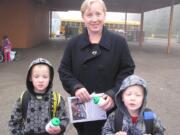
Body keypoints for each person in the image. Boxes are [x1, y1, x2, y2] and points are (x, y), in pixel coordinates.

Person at [58, 0, 135, 134]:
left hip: (110, 109)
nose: (94, 19)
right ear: (83, 17)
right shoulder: (73, 44)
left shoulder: (119, 42)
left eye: (98, 14)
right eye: (89, 15)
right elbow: (64, 70)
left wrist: (113, 94)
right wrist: (76, 87)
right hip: (82, 109)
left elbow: (127, 71)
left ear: (105, 15)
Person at [9, 58, 69, 135]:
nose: (40, 80)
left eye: (45, 77)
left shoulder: (57, 98)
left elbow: (64, 118)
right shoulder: (24, 98)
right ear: (30, 78)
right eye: (36, 77)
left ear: (50, 78)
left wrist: (60, 128)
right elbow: (14, 121)